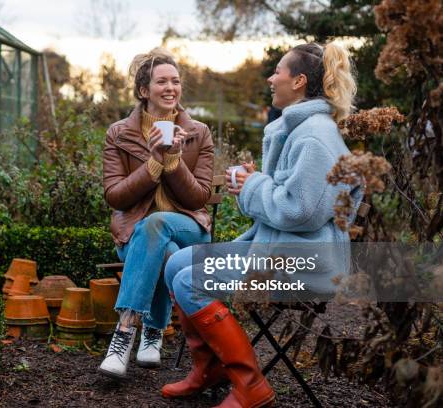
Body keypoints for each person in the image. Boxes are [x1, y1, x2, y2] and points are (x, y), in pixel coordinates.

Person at [161, 42, 363, 407]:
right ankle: (210, 370)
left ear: (299, 81)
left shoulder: (315, 136)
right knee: (176, 263)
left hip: (305, 262)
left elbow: (300, 212)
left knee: (189, 281)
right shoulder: (298, 129)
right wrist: (254, 183)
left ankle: (250, 384)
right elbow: (289, 199)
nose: (271, 78)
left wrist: (254, 185)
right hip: (275, 247)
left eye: (278, 71)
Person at [98, 47, 214, 379]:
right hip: (134, 234)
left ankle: (122, 335)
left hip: (189, 226)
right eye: (161, 81)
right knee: (164, 248)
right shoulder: (119, 134)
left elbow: (199, 198)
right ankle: (153, 331)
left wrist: (174, 162)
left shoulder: (199, 133)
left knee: (159, 223)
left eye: (175, 81)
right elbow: (115, 196)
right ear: (143, 90)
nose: (170, 88)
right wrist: (153, 163)